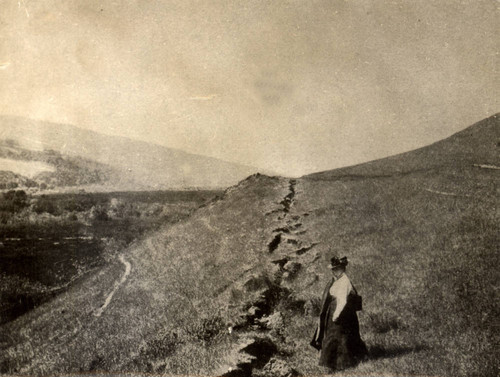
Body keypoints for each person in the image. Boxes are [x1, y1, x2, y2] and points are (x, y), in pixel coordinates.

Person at [310, 256, 367, 372]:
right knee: (339, 336)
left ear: (341, 269)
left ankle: (339, 363)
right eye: (333, 269)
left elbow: (342, 301)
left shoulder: (344, 282)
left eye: (335, 269)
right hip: (336, 312)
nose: (333, 271)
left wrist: (336, 315)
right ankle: (342, 361)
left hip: (340, 314)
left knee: (336, 337)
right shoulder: (338, 280)